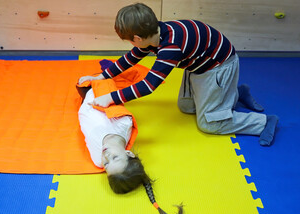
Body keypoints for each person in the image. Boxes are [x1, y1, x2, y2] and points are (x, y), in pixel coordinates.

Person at [78, 3, 278, 146]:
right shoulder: (155, 33)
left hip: (218, 67)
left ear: (138, 38)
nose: (132, 45)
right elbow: (130, 58)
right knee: (185, 106)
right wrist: (101, 77)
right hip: (198, 66)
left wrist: (111, 98)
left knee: (209, 123)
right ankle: (233, 93)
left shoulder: (171, 46)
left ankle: (263, 122)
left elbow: (149, 85)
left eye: (131, 41)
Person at [77, 85, 184, 214]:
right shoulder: (123, 123)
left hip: (84, 101)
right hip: (97, 91)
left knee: (79, 86)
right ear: (128, 152)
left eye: (107, 165)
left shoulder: (97, 159)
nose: (106, 157)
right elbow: (108, 96)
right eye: (115, 157)